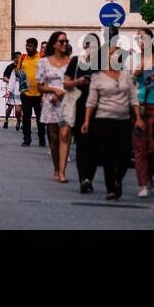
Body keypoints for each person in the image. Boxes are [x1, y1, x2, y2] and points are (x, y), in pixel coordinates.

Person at [81, 35, 142, 201]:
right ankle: (111, 188)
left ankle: (117, 179)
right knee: (108, 155)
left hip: (123, 119)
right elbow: (91, 101)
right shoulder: (98, 77)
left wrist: (138, 117)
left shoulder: (126, 76)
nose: (114, 57)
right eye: (111, 54)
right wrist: (87, 120)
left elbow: (133, 98)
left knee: (123, 156)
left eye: (117, 54)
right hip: (104, 119)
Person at [132, 29, 154, 197]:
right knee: (140, 148)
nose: (141, 41)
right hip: (139, 107)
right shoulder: (133, 60)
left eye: (144, 37)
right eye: (138, 38)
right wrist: (133, 75)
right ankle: (143, 184)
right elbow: (127, 85)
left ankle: (149, 176)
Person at [38, 31, 73, 182]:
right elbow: (40, 86)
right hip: (51, 102)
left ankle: (63, 172)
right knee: (53, 138)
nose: (65, 44)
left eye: (66, 41)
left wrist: (64, 92)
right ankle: (56, 168)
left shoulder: (72, 62)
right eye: (61, 42)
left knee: (65, 135)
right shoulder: (44, 63)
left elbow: (74, 82)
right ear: (54, 44)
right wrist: (54, 90)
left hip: (67, 102)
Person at [68, 33, 98, 192]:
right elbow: (66, 83)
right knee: (81, 145)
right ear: (85, 47)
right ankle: (83, 178)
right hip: (79, 107)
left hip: (97, 109)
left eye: (95, 46)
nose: (92, 49)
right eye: (90, 46)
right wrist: (77, 82)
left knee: (94, 147)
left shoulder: (101, 64)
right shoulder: (76, 62)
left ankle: (89, 177)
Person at [17, 37, 43, 148]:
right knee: (26, 118)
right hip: (26, 93)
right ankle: (27, 139)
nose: (27, 48)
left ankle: (42, 138)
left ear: (35, 47)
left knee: (40, 118)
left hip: (39, 93)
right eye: (26, 45)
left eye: (30, 46)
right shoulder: (23, 58)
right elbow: (17, 71)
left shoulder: (41, 57)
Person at [2, 51, 21, 129]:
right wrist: (11, 82)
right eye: (19, 58)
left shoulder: (23, 66)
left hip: (20, 90)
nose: (20, 59)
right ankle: (6, 120)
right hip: (12, 89)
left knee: (18, 110)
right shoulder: (10, 67)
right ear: (15, 58)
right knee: (9, 108)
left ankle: (19, 121)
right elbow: (4, 77)